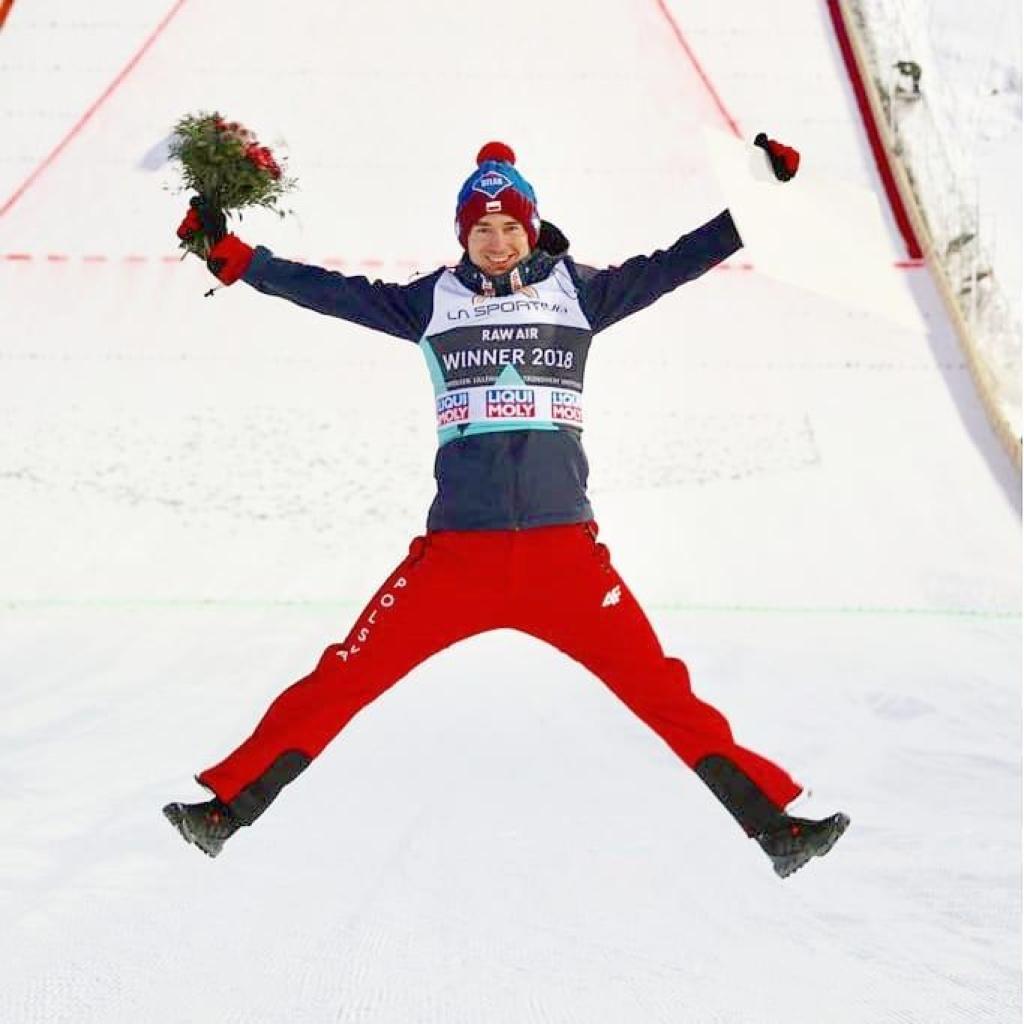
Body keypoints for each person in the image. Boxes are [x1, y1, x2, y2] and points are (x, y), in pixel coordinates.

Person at [163, 138, 849, 878]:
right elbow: (328, 291)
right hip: (456, 560)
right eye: (482, 229)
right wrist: (234, 257)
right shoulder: (431, 301)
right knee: (342, 677)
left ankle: (777, 827)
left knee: (663, 691)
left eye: (510, 228)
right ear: (463, 234)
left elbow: (673, 264)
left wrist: (755, 204)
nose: (496, 243)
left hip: (566, 561)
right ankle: (224, 807)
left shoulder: (579, 293)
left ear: (532, 228)